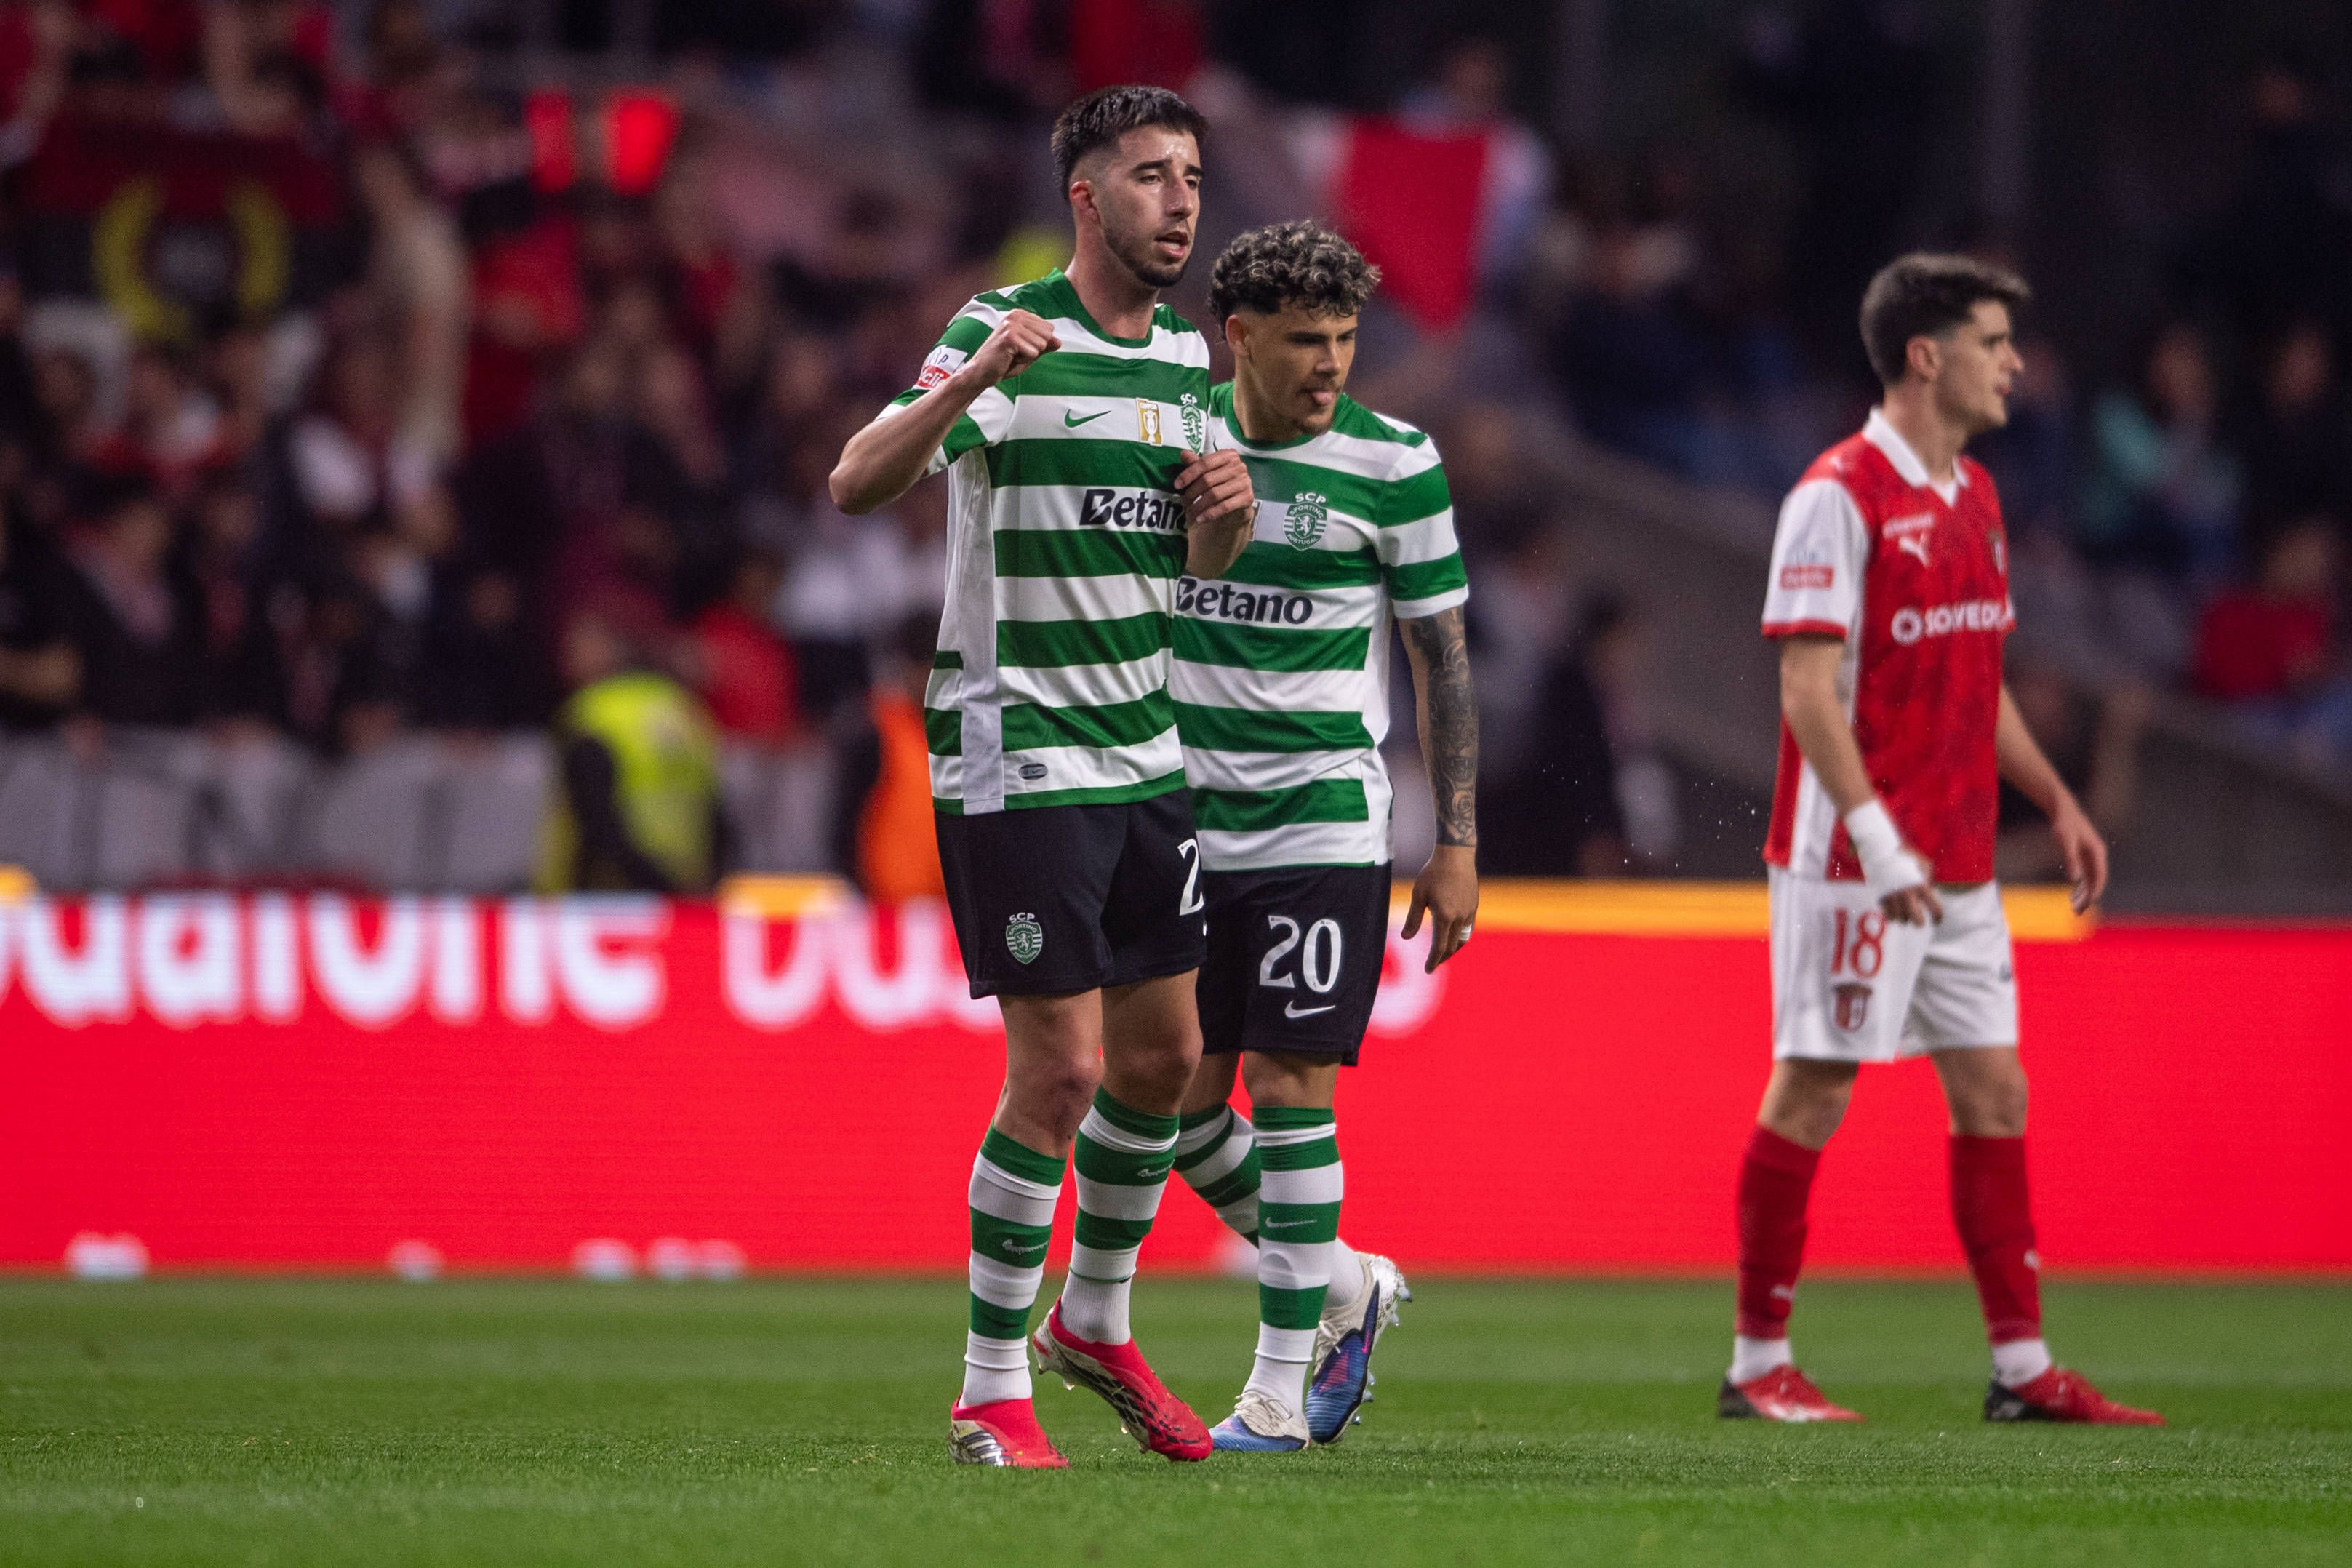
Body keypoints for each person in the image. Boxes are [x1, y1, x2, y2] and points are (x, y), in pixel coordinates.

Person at [827, 84, 1257, 1471]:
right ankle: (985, 1389)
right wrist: (963, 385)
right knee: (1059, 1072)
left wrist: (1223, 530)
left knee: (1165, 1059)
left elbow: (1184, 579)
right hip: (1019, 755)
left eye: (1189, 175)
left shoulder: (1187, 366)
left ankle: (1097, 1321)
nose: (1179, 200)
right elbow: (853, 482)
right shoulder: (1000, 331)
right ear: (1085, 197)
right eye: (1148, 176)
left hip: (1146, 748)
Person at [1732, 253, 2163, 1426]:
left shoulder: (1973, 494)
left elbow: (1979, 680)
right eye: (1992, 341)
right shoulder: (1835, 492)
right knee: (1813, 1088)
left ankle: (2021, 1372)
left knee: (1991, 1088)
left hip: (1959, 854)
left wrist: (2054, 800)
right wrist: (1873, 841)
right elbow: (1805, 691)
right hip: (1852, 857)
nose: (2014, 363)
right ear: (1926, 357)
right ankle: (1753, 1359)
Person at [1164, 221, 1476, 1452]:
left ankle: (1276, 1393)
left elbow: (1439, 657)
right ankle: (1343, 1280)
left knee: (1290, 1089)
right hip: (1180, 819)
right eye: (1304, 339)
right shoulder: (1175, 438)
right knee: (1172, 1109)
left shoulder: (1395, 463)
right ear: (1236, 337)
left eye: (1343, 338)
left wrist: (1452, 838)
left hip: (1319, 821)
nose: (1329, 363)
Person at [536, 609, 724, 895]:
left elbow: (597, 820)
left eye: (579, 645)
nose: (567, 657)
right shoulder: (683, 707)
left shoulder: (594, 711)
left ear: (613, 647)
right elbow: (716, 810)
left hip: (606, 895)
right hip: (688, 886)